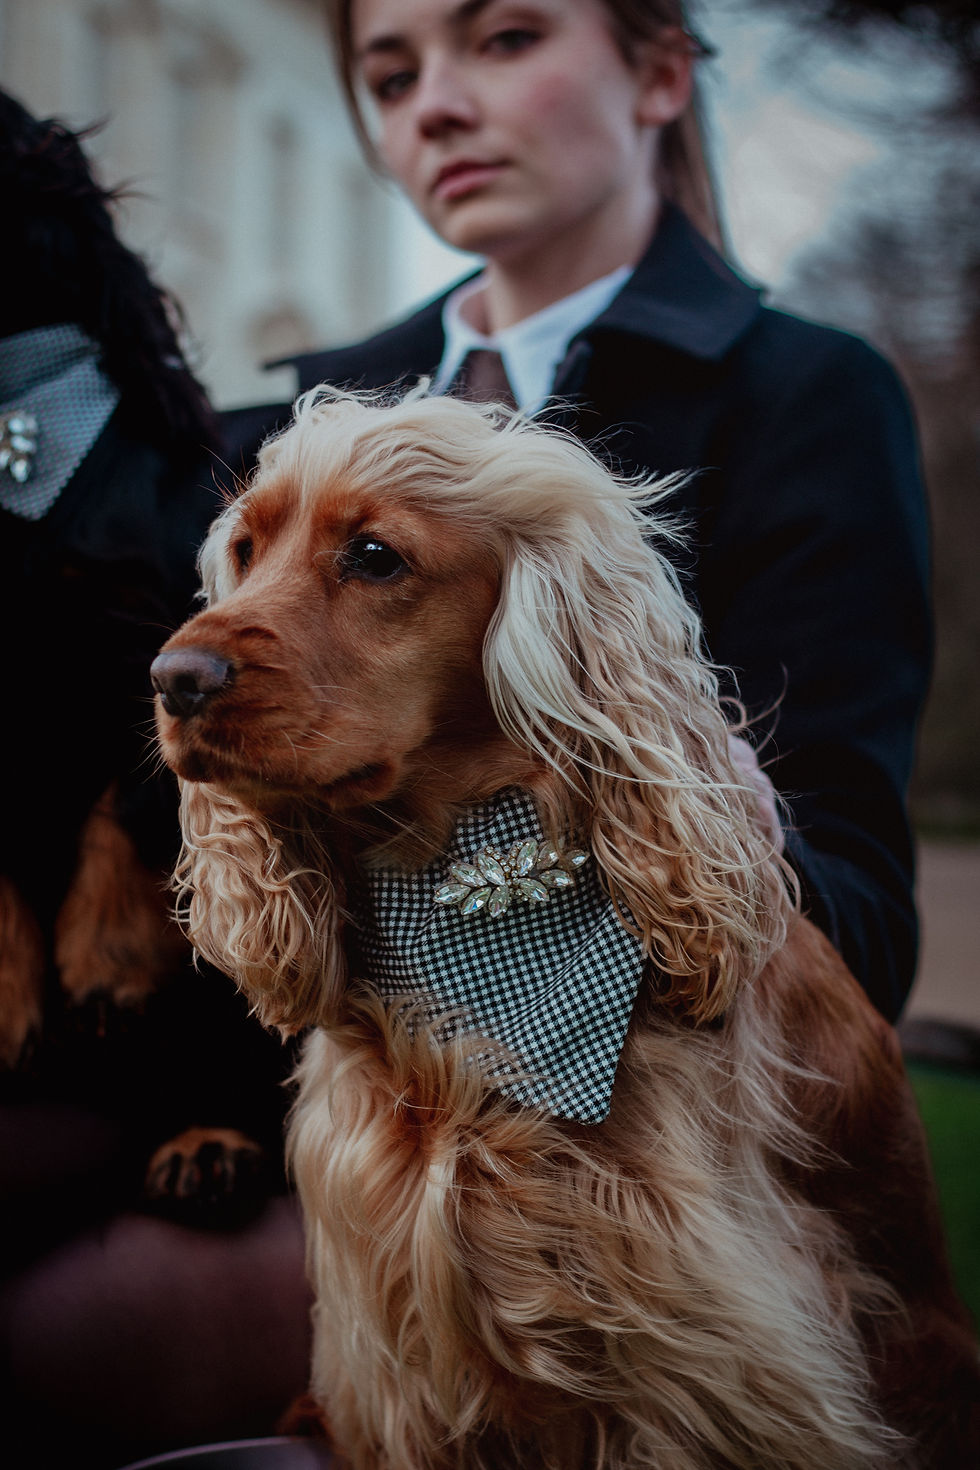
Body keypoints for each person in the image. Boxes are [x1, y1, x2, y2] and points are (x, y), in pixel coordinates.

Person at [230, 0, 931, 1025]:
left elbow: (861, 928)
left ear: (659, 75)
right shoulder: (266, 430)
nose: (434, 108)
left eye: (505, 39)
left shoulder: (805, 398)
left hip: (668, 1116)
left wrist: (704, 813)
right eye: (391, 78)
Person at [0, 91, 310, 1466]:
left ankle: (209, 1116)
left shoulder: (181, 476)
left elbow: (210, 704)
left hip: (180, 970)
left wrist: (121, 850)